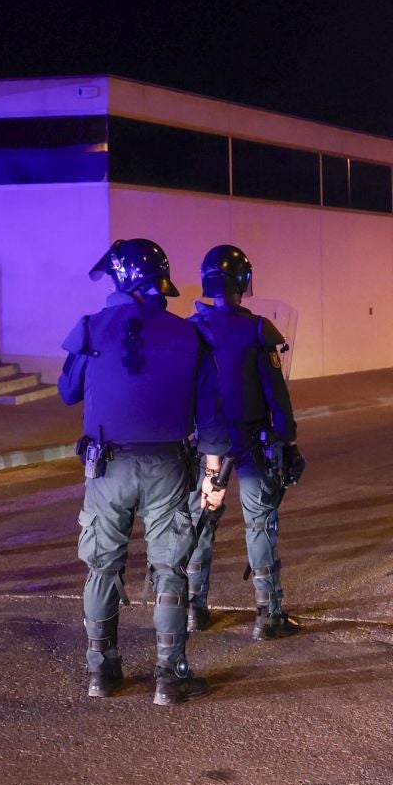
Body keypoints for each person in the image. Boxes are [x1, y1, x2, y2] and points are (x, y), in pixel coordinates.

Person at [60, 238, 221, 705]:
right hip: (170, 465)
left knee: (102, 567)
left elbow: (68, 391)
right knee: (171, 567)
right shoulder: (189, 333)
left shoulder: (92, 328)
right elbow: (210, 414)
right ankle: (170, 676)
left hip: (107, 467)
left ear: (123, 280)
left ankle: (101, 672)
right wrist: (213, 476)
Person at [183, 244, 303, 639]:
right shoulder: (257, 328)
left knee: (201, 522)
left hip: (206, 445)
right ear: (244, 282)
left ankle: (193, 609)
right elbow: (276, 394)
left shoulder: (192, 327)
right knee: (260, 524)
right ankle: (268, 615)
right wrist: (288, 442)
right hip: (252, 442)